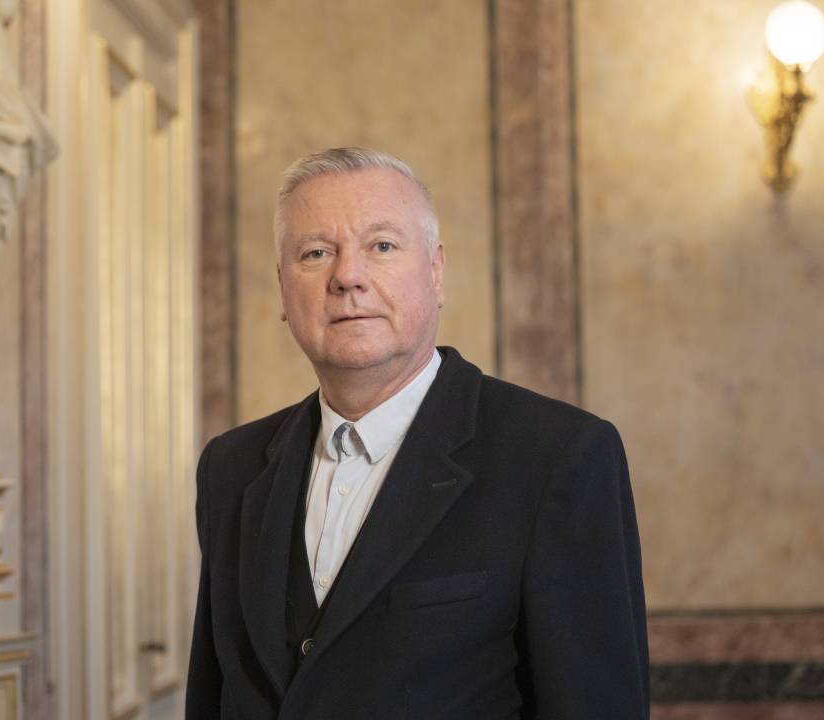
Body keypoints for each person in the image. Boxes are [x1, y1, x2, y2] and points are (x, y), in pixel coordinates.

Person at [186, 147, 649, 718]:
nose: (347, 277)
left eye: (382, 246)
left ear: (435, 272)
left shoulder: (559, 457)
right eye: (315, 253)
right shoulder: (230, 469)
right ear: (283, 288)